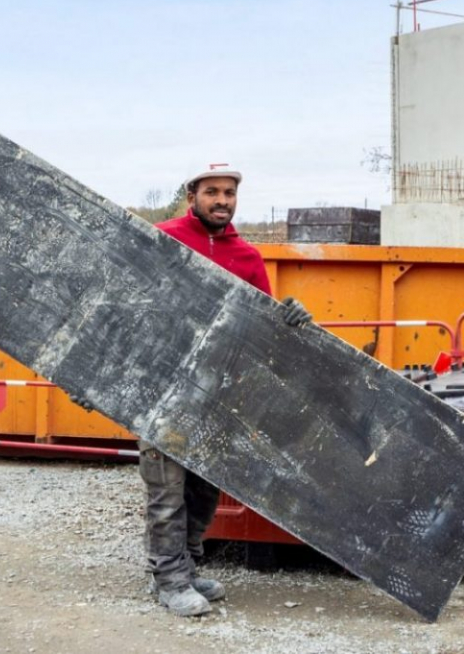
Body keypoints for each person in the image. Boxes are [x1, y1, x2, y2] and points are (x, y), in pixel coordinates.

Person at [142, 163, 312, 617]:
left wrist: (289, 317)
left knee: (203, 491)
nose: (222, 201)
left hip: (219, 394)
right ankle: (170, 579)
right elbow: (131, 308)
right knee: (166, 490)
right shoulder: (162, 239)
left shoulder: (247, 258)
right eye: (212, 191)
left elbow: (263, 333)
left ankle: (189, 566)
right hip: (165, 389)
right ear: (192, 193)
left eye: (230, 193)